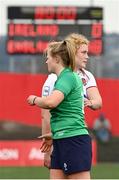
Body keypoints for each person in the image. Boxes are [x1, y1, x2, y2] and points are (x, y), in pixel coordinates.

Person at [27, 40, 92, 179]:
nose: (46, 62)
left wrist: (34, 99)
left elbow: (51, 103)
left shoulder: (68, 77)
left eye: (48, 57)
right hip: (61, 140)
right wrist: (54, 133)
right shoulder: (62, 78)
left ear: (56, 58)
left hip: (73, 140)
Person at [41, 33, 102, 168]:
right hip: (59, 137)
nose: (87, 56)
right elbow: (46, 114)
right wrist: (47, 148)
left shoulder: (87, 76)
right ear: (72, 52)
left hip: (75, 135)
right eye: (84, 52)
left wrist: (91, 102)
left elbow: (98, 101)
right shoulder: (53, 78)